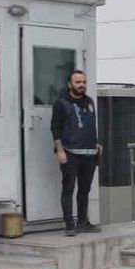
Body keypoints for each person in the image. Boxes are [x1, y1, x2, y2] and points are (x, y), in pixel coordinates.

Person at [50, 69, 102, 237]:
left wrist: (97, 144)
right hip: (70, 152)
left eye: (84, 82)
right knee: (69, 188)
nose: (82, 85)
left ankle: (83, 222)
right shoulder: (62, 103)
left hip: (89, 153)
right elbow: (55, 128)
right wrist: (60, 150)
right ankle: (69, 224)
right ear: (70, 84)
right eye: (78, 82)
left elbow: (91, 125)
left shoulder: (89, 101)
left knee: (85, 190)